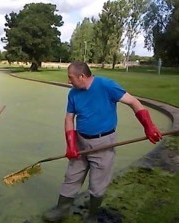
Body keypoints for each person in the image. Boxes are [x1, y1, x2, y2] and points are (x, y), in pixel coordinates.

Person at [43, 61, 162, 223]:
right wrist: (70, 144)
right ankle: (61, 211)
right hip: (80, 141)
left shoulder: (106, 86)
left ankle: (92, 216)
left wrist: (148, 126)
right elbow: (69, 119)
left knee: (98, 184)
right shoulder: (73, 93)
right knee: (71, 177)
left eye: (71, 78)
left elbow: (134, 102)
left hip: (103, 143)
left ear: (82, 76)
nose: (69, 81)